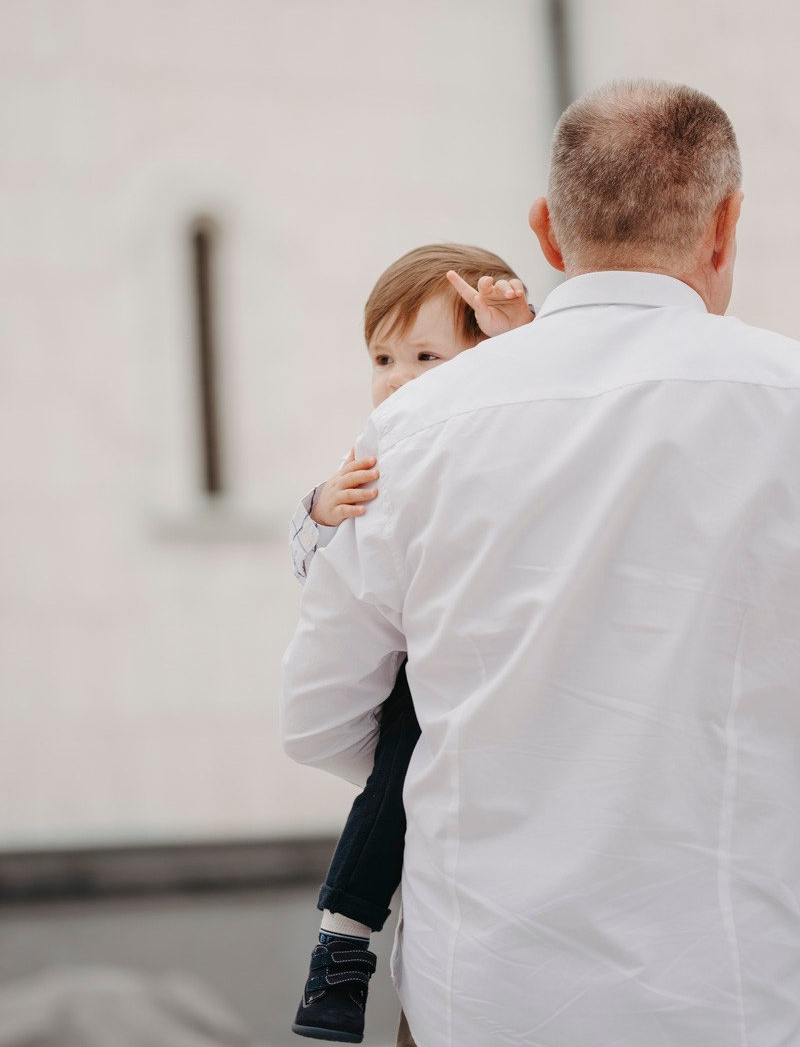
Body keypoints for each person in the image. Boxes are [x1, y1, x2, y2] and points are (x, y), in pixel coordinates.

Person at [282, 80, 800, 1047]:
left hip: (482, 996)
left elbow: (318, 718)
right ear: (726, 225)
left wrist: (492, 748)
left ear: (548, 234)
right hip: (741, 994)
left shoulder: (414, 428)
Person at [289, 242, 534, 1042]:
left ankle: (346, 935)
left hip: (511, 660)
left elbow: (538, 406)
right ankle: (342, 939)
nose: (398, 378)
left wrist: (519, 335)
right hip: (423, 672)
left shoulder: (511, 430)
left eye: (427, 356)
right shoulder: (377, 455)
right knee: (399, 766)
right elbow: (325, 582)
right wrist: (320, 512)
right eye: (383, 358)